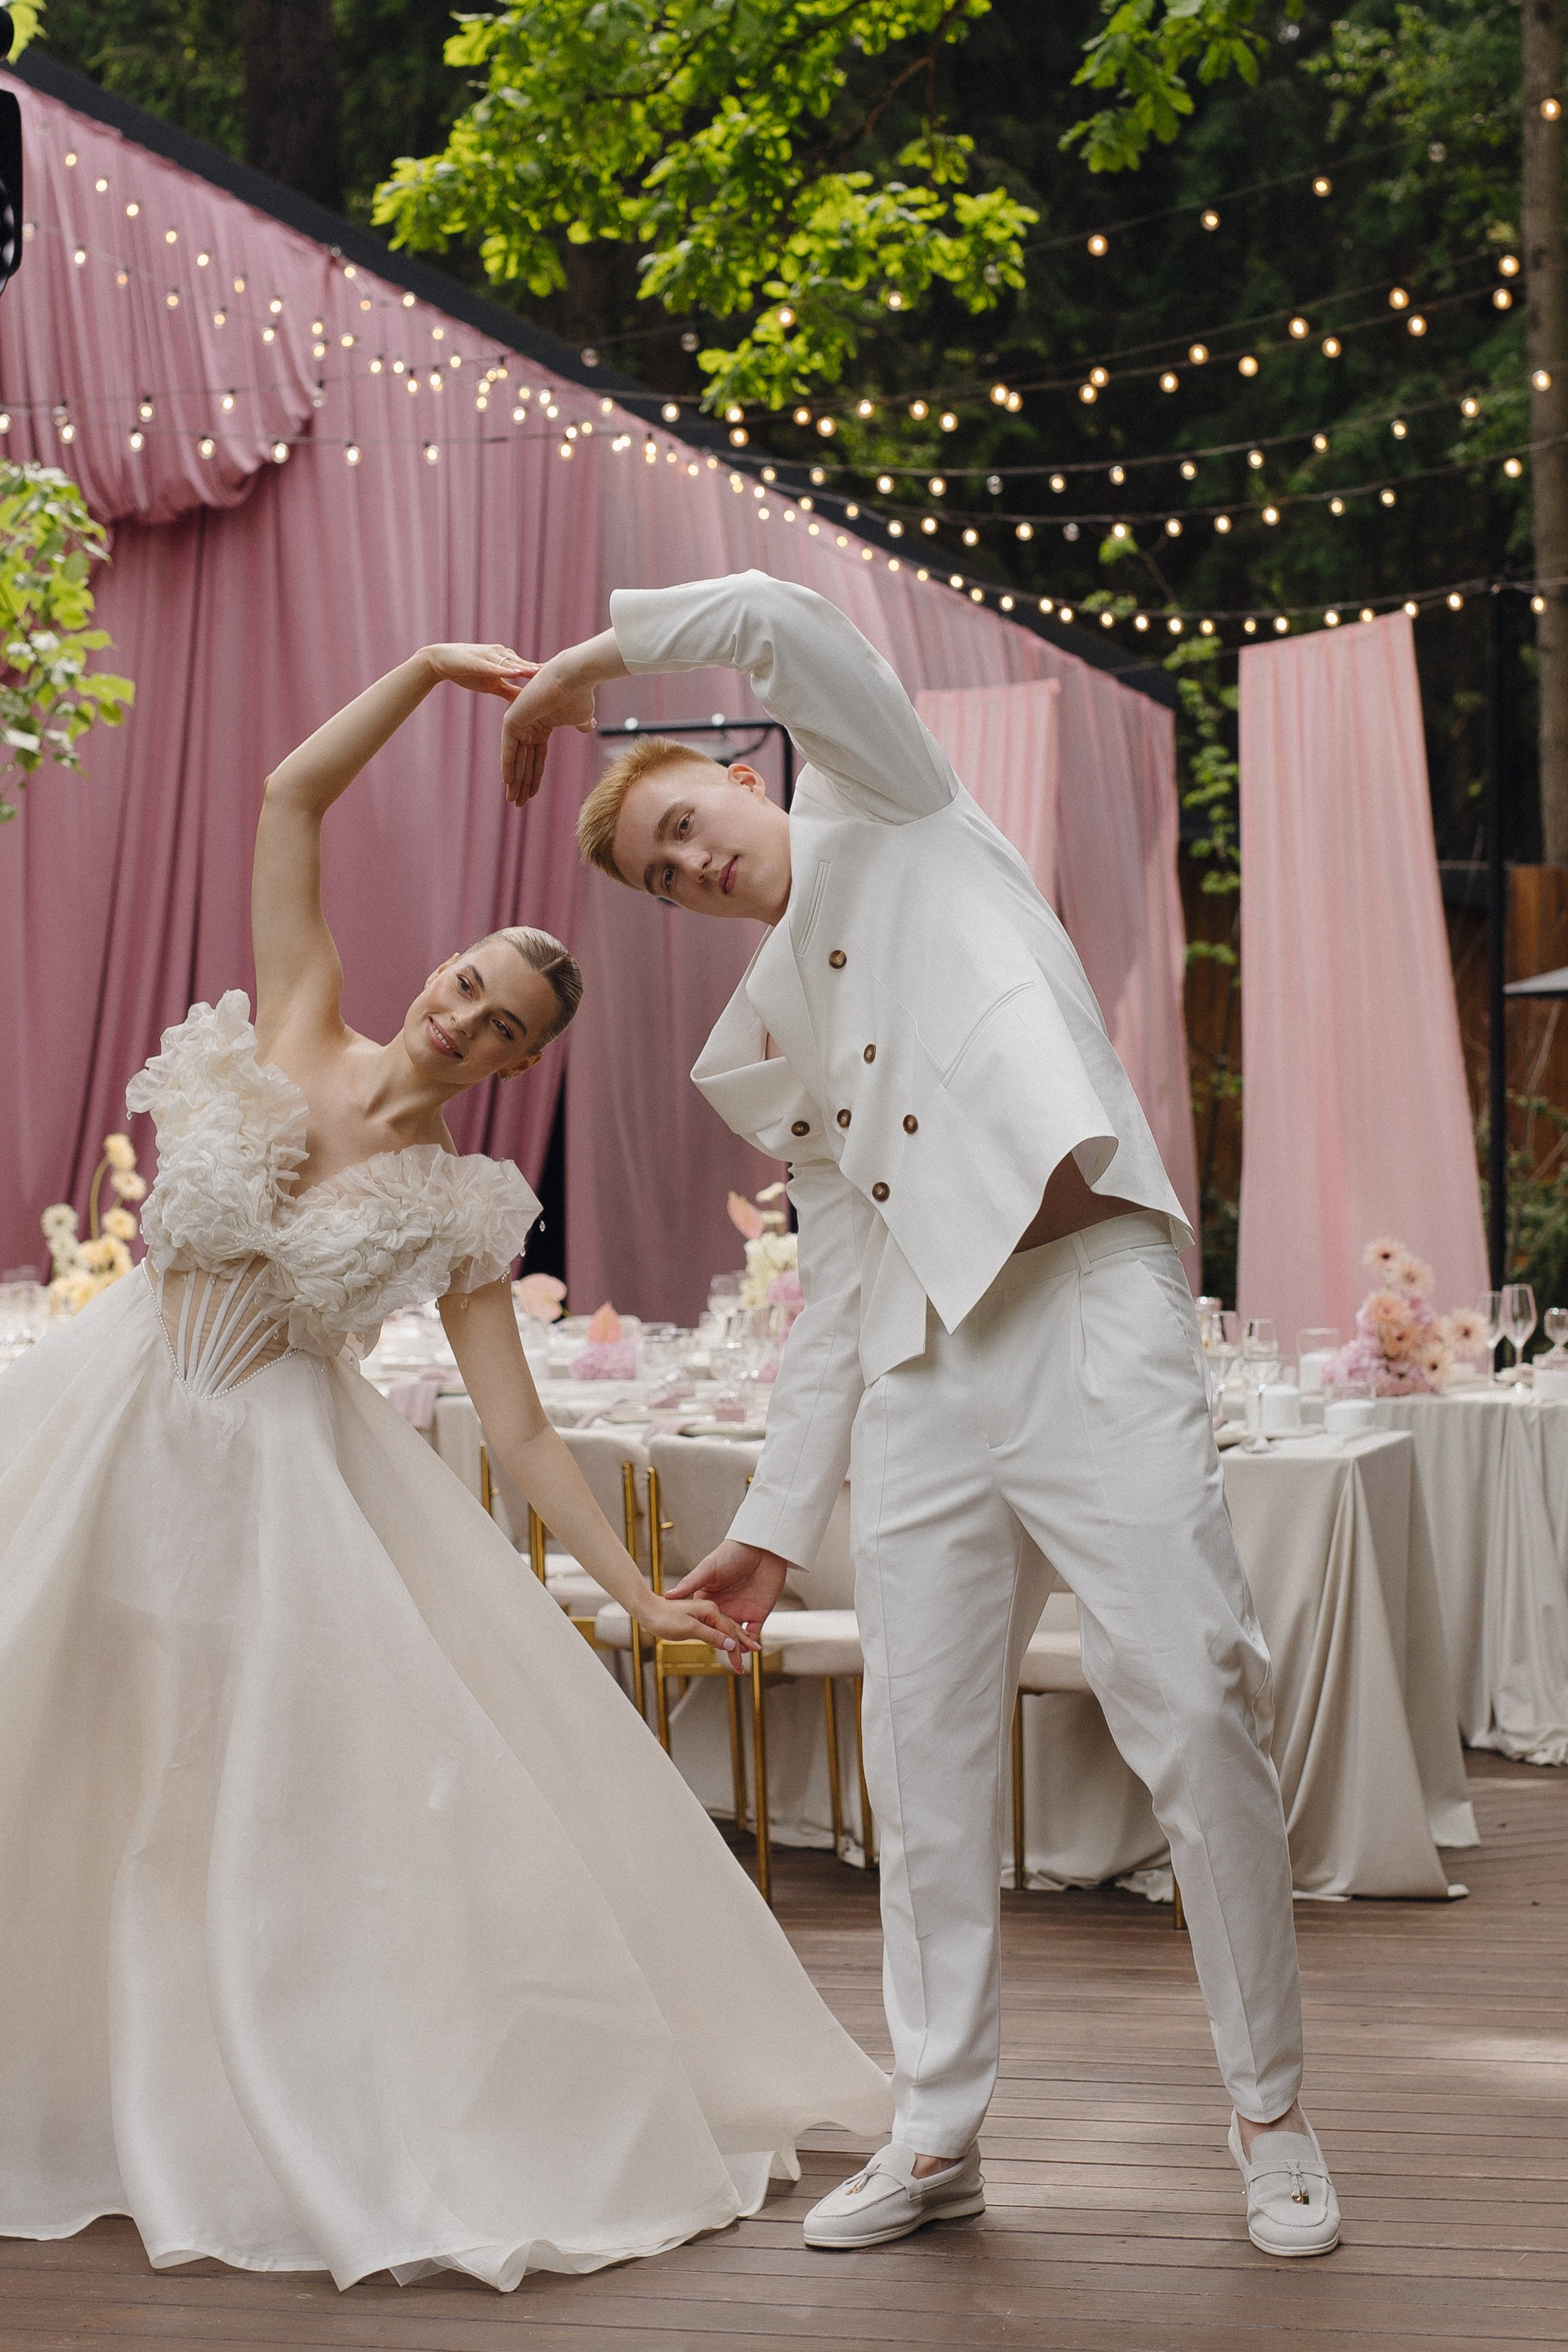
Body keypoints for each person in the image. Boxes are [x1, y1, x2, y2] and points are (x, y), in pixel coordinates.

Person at [0, 640, 892, 2292]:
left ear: (513, 1066)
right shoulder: (293, 1018)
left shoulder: (461, 1209)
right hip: (109, 1415)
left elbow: (524, 1427)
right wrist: (421, 674)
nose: (466, 1009)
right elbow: (291, 795)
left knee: (215, 1800)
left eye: (503, 1021)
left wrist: (636, 1597)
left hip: (267, 1483)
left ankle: (197, 2097)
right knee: (44, 1730)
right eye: (471, 977)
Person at [499, 570, 1341, 2261]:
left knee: (1189, 1698)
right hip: (922, 1384)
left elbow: (781, 617)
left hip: (1088, 1305)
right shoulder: (763, 1039)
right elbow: (838, 1280)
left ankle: (1268, 2110)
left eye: (681, 824)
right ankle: (938, 2131)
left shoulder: (893, 800)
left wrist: (582, 672)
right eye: (659, 876)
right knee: (923, 1763)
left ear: (738, 781)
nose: (687, 865)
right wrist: (765, 1525)